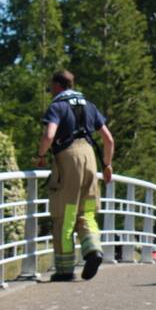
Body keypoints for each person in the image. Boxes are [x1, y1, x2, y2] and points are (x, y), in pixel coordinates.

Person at [36, 70, 114, 282]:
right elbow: (108, 139)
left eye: (52, 85)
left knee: (65, 215)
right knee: (86, 212)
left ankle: (64, 269)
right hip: (90, 160)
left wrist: (40, 155)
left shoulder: (57, 106)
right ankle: (94, 250)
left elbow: (49, 135)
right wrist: (107, 164)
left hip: (68, 160)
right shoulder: (89, 105)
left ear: (58, 85)